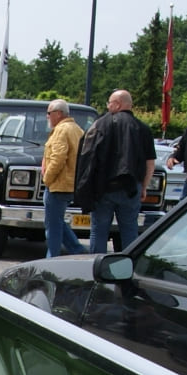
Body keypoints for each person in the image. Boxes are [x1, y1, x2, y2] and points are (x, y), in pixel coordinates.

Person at [75, 89, 155, 253]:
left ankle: (96, 267)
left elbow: (87, 157)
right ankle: (129, 266)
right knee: (130, 231)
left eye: (109, 102)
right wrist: (144, 186)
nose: (108, 106)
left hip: (103, 189)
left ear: (117, 104)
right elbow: (150, 163)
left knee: (99, 231)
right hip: (131, 188)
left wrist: (84, 187)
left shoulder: (99, 125)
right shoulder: (143, 128)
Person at [41, 99, 87, 258]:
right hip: (71, 184)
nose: (47, 117)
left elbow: (58, 158)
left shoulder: (61, 130)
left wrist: (47, 179)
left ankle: (51, 258)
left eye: (49, 113)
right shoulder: (78, 129)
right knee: (58, 221)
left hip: (58, 185)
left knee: (52, 226)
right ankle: (77, 250)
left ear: (59, 114)